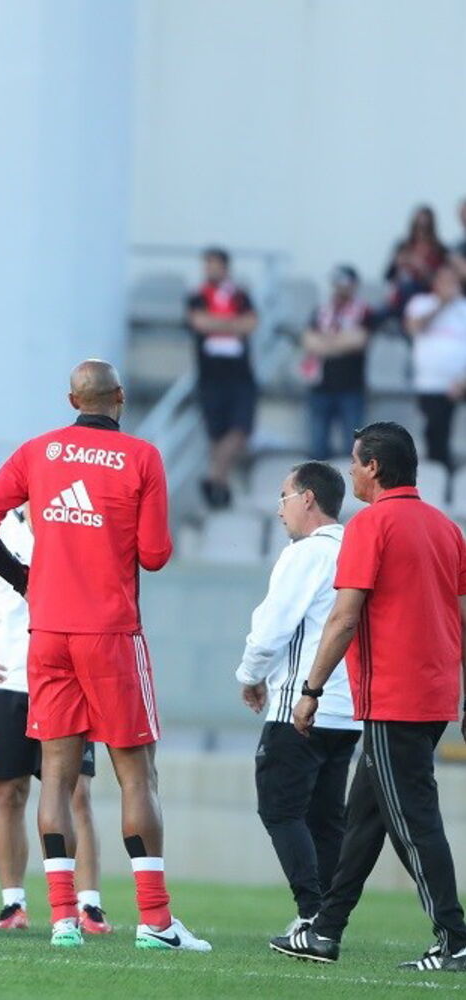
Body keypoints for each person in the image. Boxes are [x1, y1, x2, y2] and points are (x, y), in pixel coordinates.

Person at [0, 360, 210, 952]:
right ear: (119, 396)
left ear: (72, 400)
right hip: (110, 632)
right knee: (137, 774)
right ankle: (156, 922)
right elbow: (155, 555)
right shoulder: (142, 457)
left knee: (55, 775)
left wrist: (25, 578)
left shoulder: (37, 452)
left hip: (48, 633)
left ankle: (63, 920)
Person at [271, 423, 466, 971]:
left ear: (374, 468)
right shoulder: (446, 529)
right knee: (364, 819)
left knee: (414, 820)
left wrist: (310, 690)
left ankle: (455, 939)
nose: (352, 472)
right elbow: (463, 618)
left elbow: (344, 617)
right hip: (433, 695)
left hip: (392, 698)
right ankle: (325, 932)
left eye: (356, 463)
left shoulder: (371, 525)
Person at [0, 508, 107, 934]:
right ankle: (13, 903)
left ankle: (88, 905)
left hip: (66, 683)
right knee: (9, 793)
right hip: (8, 684)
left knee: (77, 793)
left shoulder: (75, 525)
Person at [234, 461, 358, 936]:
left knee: (280, 808)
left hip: (302, 705)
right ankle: (326, 919)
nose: (279, 508)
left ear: (308, 498)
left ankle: (311, 911)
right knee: (327, 818)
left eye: (284, 497)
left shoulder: (306, 553)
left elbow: (272, 627)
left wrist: (251, 675)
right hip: (348, 709)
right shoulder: (356, 549)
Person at [186, 246, 259, 509]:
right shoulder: (198, 296)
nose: (210, 270)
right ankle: (222, 486)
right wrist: (231, 324)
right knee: (216, 433)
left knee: (240, 429)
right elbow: (198, 322)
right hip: (210, 376)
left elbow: (250, 323)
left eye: (215, 265)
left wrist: (216, 323)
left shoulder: (240, 296)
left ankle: (214, 476)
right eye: (207, 265)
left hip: (240, 376)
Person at [301, 265, 374, 460]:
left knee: (353, 448)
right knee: (317, 446)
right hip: (321, 385)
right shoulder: (321, 310)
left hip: (351, 386)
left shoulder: (363, 311)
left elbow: (359, 341)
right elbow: (309, 342)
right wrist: (341, 342)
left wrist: (325, 341)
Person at [403, 264, 466, 469]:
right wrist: (442, 304)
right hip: (430, 384)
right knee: (435, 436)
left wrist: (462, 381)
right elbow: (414, 326)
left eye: (452, 281)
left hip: (459, 383)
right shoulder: (421, 303)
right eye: (444, 281)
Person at [386, 205, 448, 317]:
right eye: (418, 227)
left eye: (425, 228)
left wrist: (421, 267)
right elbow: (388, 275)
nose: (421, 232)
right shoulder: (403, 246)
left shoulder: (440, 250)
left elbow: (442, 278)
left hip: (426, 294)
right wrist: (399, 263)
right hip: (401, 291)